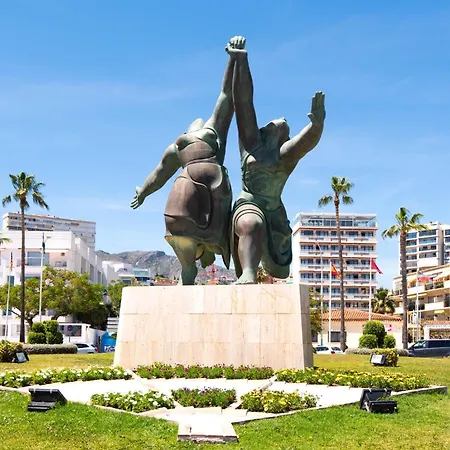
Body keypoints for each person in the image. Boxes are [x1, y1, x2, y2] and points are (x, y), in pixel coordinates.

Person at [131, 38, 245, 285]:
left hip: (215, 186)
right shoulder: (176, 148)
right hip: (186, 184)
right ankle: (187, 267)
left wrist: (234, 58)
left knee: (224, 230)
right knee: (175, 221)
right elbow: (159, 174)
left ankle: (240, 269)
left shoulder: (213, 129)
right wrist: (143, 192)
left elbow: (227, 95)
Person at [226, 39, 326, 284]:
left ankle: (264, 267)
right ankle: (248, 274)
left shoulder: (285, 156)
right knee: (251, 223)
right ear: (265, 131)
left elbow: (306, 142)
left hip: (275, 210)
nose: (279, 122)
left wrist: (317, 125)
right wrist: (241, 59)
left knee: (280, 269)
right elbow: (243, 102)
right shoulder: (251, 144)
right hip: (249, 202)